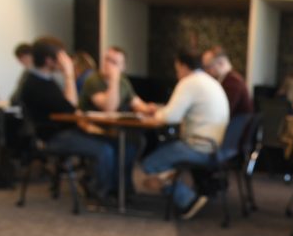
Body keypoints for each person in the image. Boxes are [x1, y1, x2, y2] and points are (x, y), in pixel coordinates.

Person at [20, 36, 118, 201]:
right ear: (49, 61)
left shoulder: (45, 80)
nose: (67, 60)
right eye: (62, 57)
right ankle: (101, 194)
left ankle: (110, 188)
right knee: (104, 150)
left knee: (114, 142)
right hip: (52, 137)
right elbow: (71, 107)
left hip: (64, 132)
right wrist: (69, 74)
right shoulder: (35, 84)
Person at [139, 49, 229, 220]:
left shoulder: (189, 83)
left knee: (150, 163)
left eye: (177, 69)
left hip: (199, 147)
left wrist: (155, 113)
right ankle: (169, 181)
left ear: (182, 66)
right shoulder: (210, 82)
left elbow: (170, 116)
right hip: (215, 146)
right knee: (165, 151)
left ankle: (187, 200)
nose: (177, 74)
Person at [78, 46, 154, 114]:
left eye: (114, 62)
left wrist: (149, 109)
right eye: (107, 59)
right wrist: (114, 79)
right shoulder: (93, 80)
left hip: (113, 124)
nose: (108, 64)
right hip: (90, 124)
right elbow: (109, 108)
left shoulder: (123, 81)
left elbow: (136, 103)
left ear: (123, 67)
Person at [202, 46, 252, 116]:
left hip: (235, 122)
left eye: (208, 66)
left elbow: (225, 111)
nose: (206, 71)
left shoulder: (234, 82)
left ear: (221, 63)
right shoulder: (227, 79)